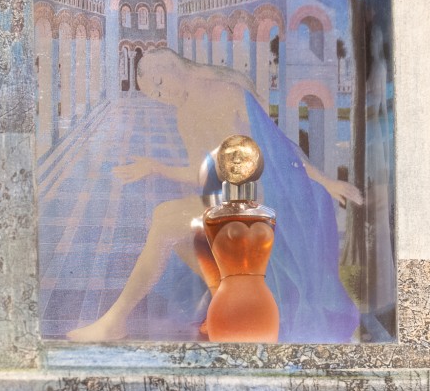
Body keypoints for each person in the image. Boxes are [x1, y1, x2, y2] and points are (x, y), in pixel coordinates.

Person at [67, 47, 362, 343]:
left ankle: (115, 322)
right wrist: (155, 167)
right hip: (230, 199)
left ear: (170, 68)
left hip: (263, 198)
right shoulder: (184, 114)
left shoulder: (229, 92)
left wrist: (326, 181)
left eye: (159, 85)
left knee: (166, 222)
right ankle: (230, 303)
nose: (163, 96)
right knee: (172, 227)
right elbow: (199, 170)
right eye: (156, 95)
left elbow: (279, 148)